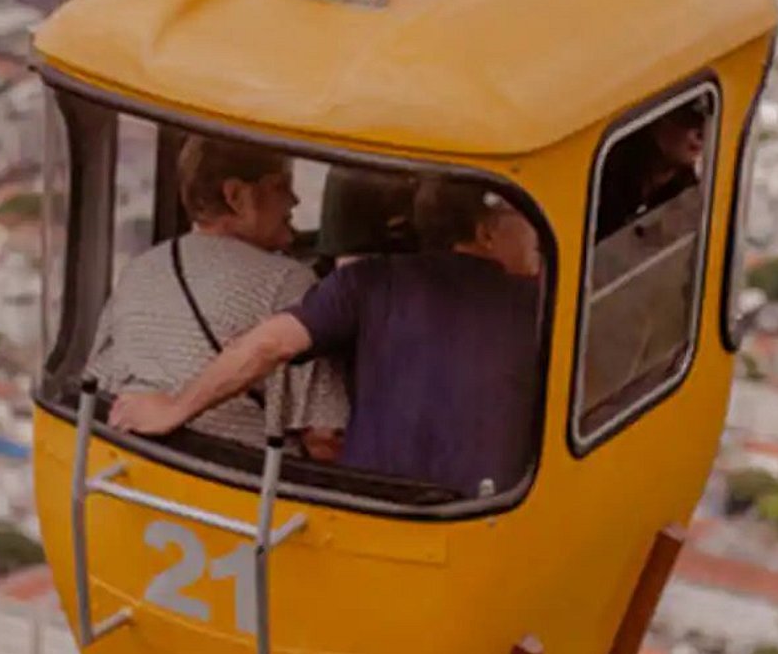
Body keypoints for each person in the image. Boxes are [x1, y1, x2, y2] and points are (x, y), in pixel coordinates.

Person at [110, 178, 543, 498]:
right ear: (485, 233)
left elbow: (268, 344)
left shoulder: (365, 283)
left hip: (368, 509)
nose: (537, 242)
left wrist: (175, 409)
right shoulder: (542, 306)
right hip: (487, 521)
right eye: (526, 225)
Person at [86, 134, 348, 459]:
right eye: (280, 186)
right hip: (238, 479)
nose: (293, 200)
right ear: (235, 196)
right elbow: (324, 436)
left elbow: (97, 379)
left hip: (128, 465)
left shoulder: (139, 268)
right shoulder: (289, 282)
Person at [593, 97, 708, 242]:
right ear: (660, 120)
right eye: (687, 120)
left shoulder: (691, 193)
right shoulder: (607, 172)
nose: (700, 134)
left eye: (703, 124)